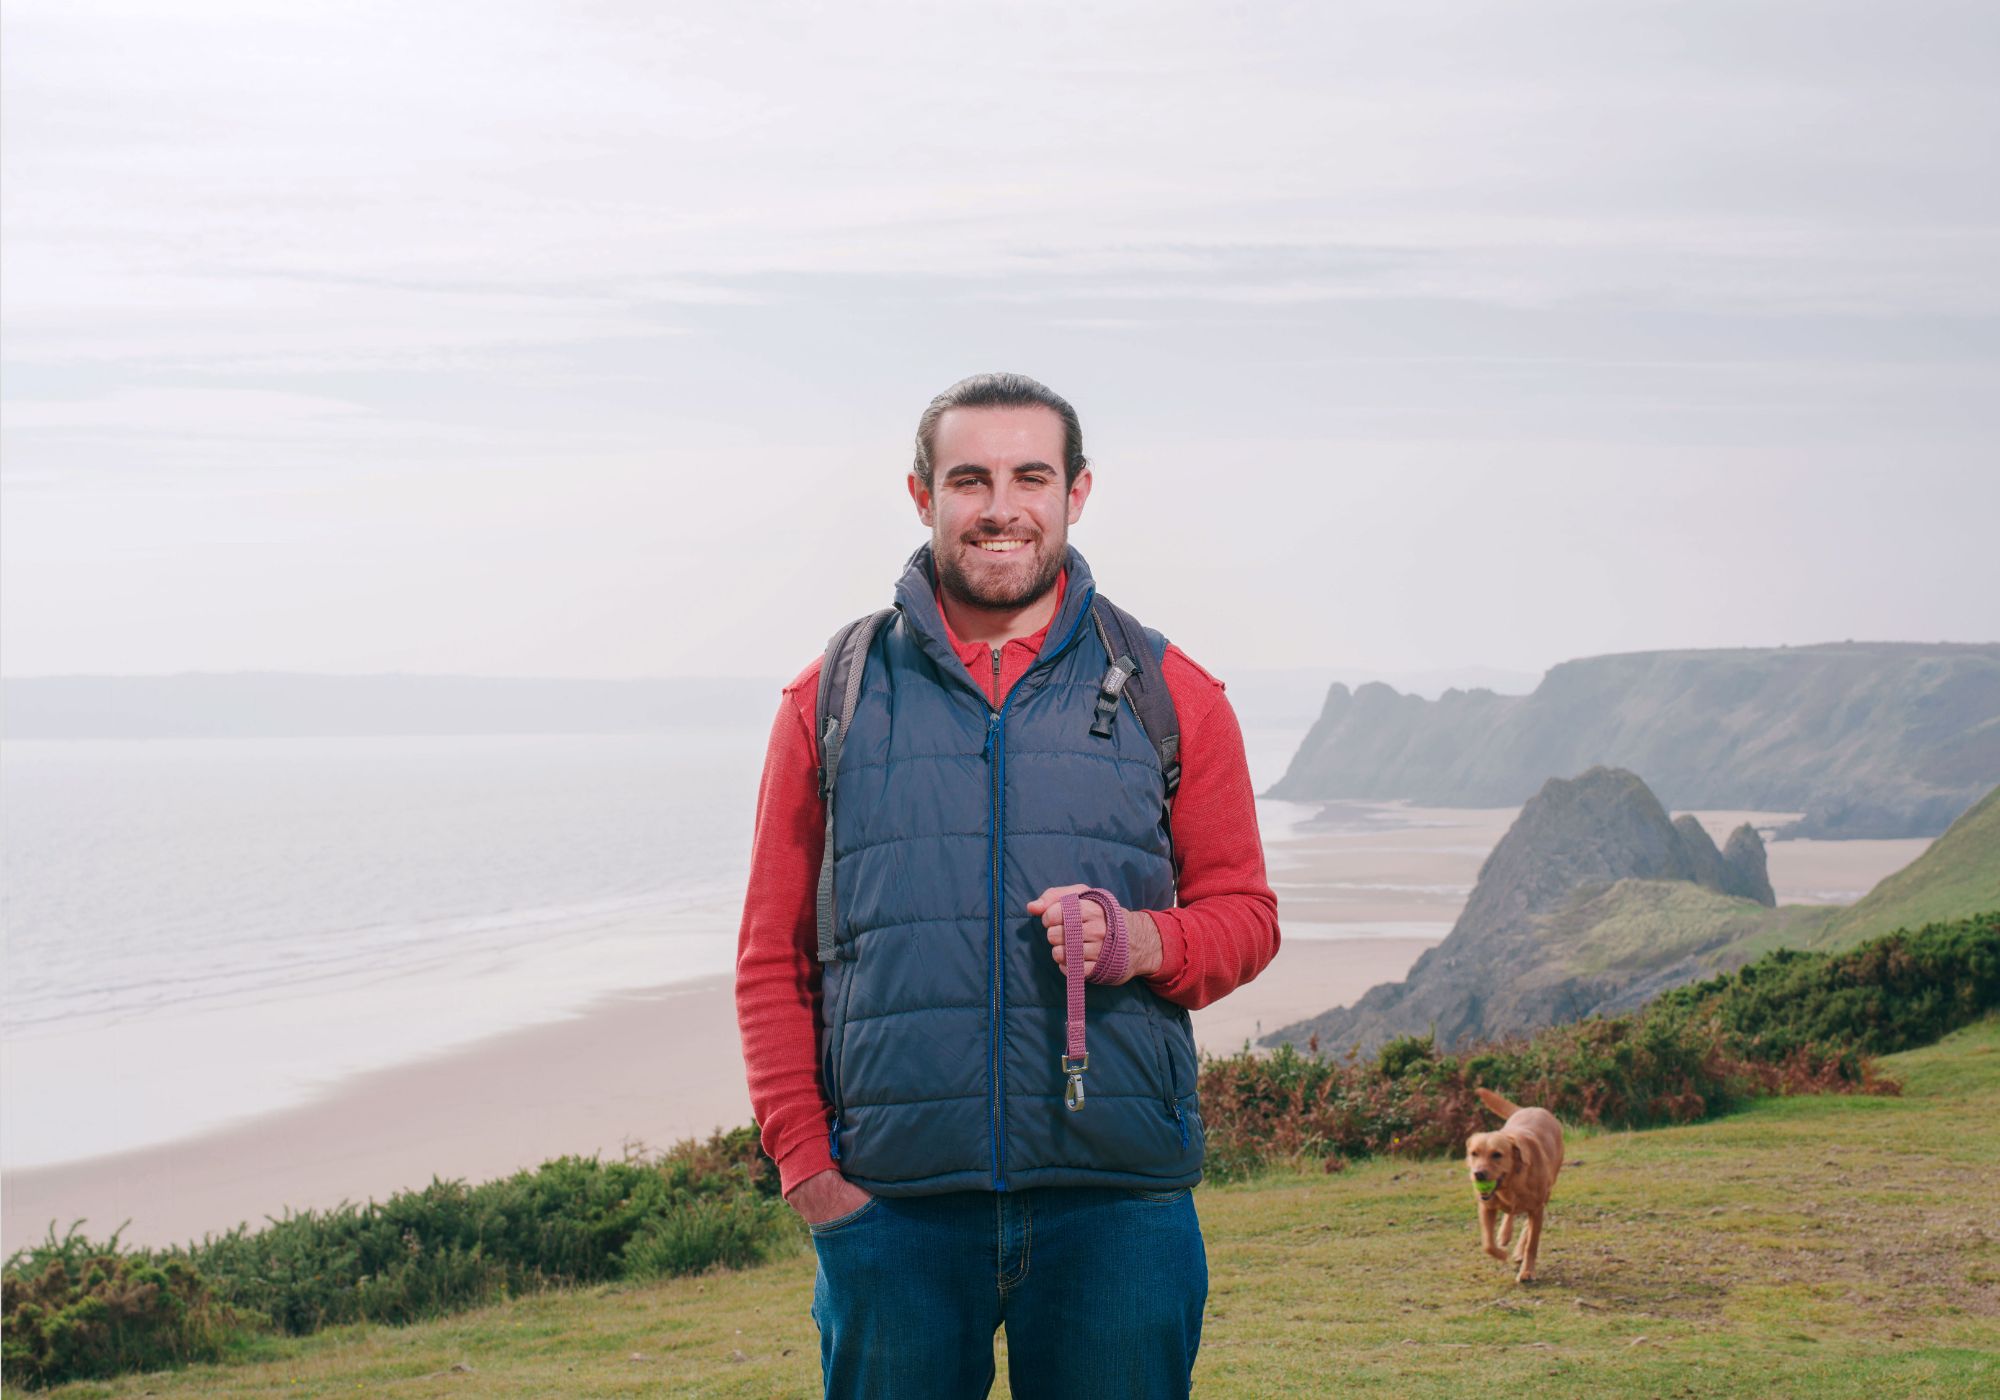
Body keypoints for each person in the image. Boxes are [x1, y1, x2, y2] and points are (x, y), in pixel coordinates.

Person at [734, 371, 1281, 1399]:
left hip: (1117, 1209)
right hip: (891, 1213)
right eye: (968, 478)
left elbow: (1246, 918)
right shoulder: (829, 695)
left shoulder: (1175, 694)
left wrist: (1142, 942)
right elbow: (770, 954)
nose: (998, 506)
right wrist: (807, 1169)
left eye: (1030, 475)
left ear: (1075, 493)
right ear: (920, 494)